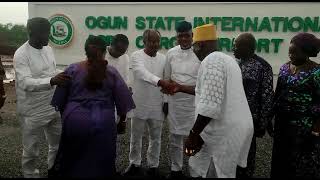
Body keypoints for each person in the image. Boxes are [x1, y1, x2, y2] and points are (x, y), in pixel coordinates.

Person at [163, 24, 254, 178]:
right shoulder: (227, 59)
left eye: (194, 47)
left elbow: (210, 106)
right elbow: (205, 91)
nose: (193, 51)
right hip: (233, 127)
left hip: (224, 132)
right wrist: (179, 87)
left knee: (221, 172)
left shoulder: (211, 61)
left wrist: (193, 135)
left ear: (200, 45)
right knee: (207, 166)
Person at [49, 35, 135, 178]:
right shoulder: (112, 72)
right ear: (104, 52)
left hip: (75, 120)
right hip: (104, 122)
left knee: (73, 156)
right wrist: (122, 121)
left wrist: (69, 117)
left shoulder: (72, 69)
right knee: (102, 158)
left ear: (85, 51)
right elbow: (123, 102)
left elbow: (60, 100)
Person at [13, 17, 69, 178]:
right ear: (31, 32)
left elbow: (51, 71)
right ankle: (30, 174)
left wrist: (65, 73)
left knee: (57, 144)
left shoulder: (48, 49)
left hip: (52, 105)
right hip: (31, 110)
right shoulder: (21, 54)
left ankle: (54, 170)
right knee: (31, 149)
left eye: (48, 32)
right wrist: (52, 81)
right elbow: (25, 82)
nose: (48, 37)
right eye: (44, 33)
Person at [270, 33, 320, 178]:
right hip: (282, 123)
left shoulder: (316, 71)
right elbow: (277, 94)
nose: (290, 55)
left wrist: (317, 128)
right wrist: (270, 118)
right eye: (289, 52)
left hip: (305, 126)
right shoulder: (284, 68)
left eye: (294, 52)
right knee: (280, 159)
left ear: (306, 52)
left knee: (301, 164)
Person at [123, 29, 170, 177]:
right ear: (144, 41)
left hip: (157, 104)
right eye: (151, 41)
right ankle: (134, 163)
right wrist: (159, 81)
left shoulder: (164, 58)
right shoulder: (136, 56)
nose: (155, 44)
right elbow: (141, 73)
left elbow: (167, 79)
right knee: (136, 136)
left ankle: (153, 166)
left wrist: (166, 101)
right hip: (139, 103)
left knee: (156, 138)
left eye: (157, 41)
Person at [232, 33, 274, 178]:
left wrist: (262, 124)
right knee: (233, 155)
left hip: (250, 121)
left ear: (247, 47)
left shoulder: (263, 67)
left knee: (246, 158)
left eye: (236, 45)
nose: (233, 48)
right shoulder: (237, 65)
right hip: (234, 120)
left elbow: (267, 97)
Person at [163, 21, 200, 178]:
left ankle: (195, 170)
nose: (184, 39)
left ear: (192, 36)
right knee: (175, 138)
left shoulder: (200, 52)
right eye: (180, 36)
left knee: (196, 137)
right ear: (176, 37)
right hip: (175, 102)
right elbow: (166, 78)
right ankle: (176, 169)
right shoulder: (171, 53)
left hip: (194, 103)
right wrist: (165, 101)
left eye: (187, 36)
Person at [106, 34, 132, 130]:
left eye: (123, 51)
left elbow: (124, 83)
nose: (120, 54)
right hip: (100, 101)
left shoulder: (125, 58)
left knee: (111, 135)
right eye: (118, 50)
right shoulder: (100, 54)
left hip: (115, 102)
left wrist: (123, 119)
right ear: (110, 44)